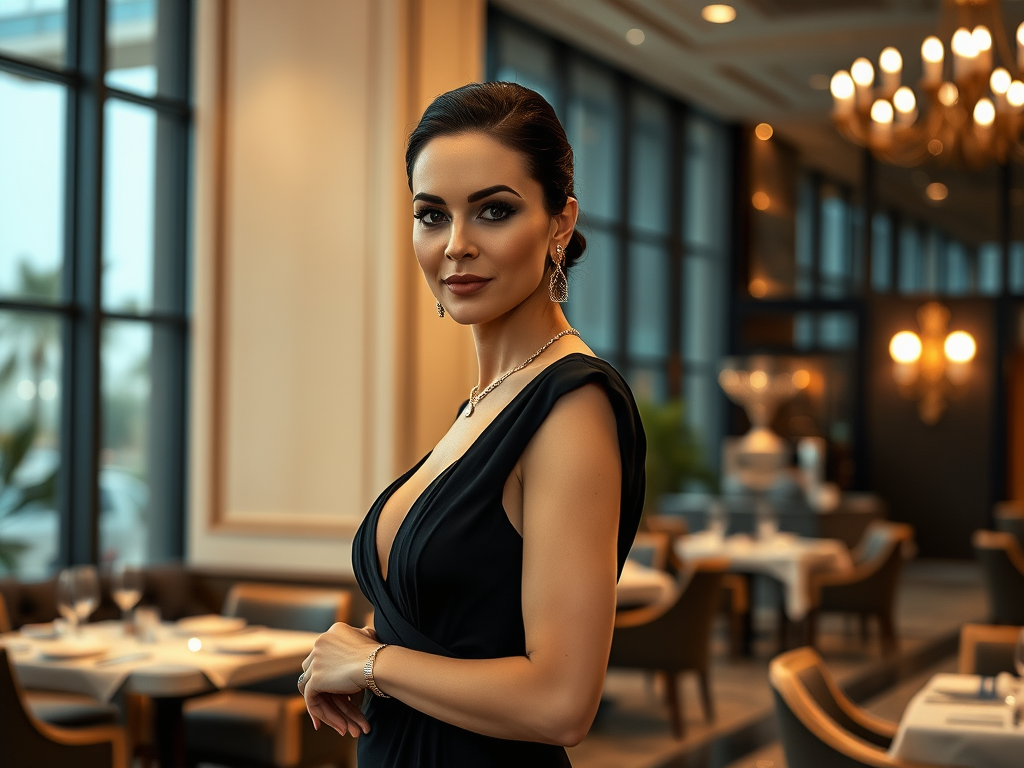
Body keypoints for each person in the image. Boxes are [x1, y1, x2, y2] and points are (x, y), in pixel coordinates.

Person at [297, 81, 647, 767]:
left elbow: (561, 703)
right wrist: (363, 647)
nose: (456, 246)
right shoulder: (485, 402)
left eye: (493, 210)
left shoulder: (571, 405)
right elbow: (468, 623)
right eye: (433, 215)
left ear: (560, 223)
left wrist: (371, 665)